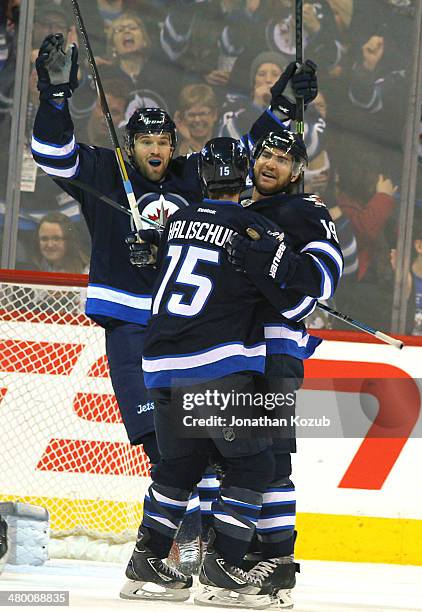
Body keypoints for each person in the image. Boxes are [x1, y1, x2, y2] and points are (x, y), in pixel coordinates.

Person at [31, 30, 317, 469]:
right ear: (131, 146)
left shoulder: (190, 177)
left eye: (163, 142)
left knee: (201, 447)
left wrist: (279, 110)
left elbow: (239, 154)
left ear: (174, 146)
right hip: (129, 323)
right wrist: (53, 99)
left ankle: (199, 535)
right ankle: (185, 535)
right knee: (160, 447)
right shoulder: (107, 171)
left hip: (189, 328)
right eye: (146, 142)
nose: (156, 150)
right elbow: (52, 153)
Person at [121, 137, 306, 606]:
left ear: (202, 177)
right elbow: (291, 298)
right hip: (214, 367)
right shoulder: (255, 227)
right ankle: (221, 568)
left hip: (158, 365)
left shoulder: (178, 219)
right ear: (244, 174)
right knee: (255, 463)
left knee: (180, 466)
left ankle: (147, 565)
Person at [224, 128, 343, 606]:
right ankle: (247, 553)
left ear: (297, 171)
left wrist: (277, 259)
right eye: (265, 154)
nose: (271, 164)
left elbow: (324, 276)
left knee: (271, 459)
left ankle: (277, 561)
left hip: (276, 352)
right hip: (234, 349)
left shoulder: (305, 210)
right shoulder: (238, 209)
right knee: (236, 457)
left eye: (283, 158)